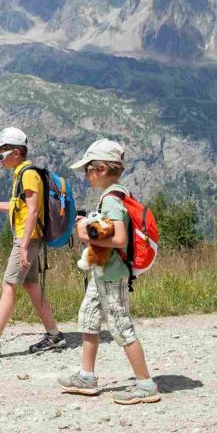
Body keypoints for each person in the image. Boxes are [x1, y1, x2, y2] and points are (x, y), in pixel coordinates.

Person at [57, 138, 160, 404]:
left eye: (88, 169)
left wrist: (85, 236)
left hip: (113, 274)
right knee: (88, 317)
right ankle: (86, 376)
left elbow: (119, 239)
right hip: (101, 271)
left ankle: (146, 385)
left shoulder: (112, 199)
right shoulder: (117, 193)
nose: (86, 175)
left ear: (101, 169)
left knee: (120, 326)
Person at [0, 127, 66, 356]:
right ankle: (54, 335)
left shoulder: (27, 174)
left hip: (26, 239)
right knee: (31, 285)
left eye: (1, 154)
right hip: (30, 238)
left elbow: (32, 211)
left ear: (17, 152)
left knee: (9, 284)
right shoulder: (21, 174)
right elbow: (16, 207)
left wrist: (24, 246)